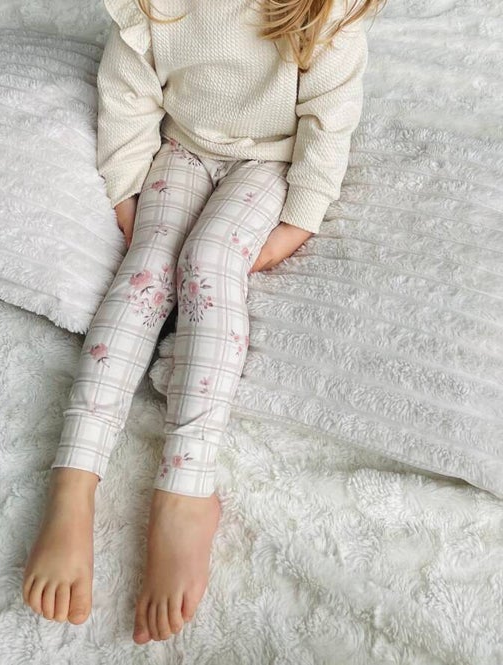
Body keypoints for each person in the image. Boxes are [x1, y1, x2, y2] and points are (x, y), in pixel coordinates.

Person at [22, 0, 382, 644]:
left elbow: (329, 120)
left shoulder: (326, 11)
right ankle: (74, 477)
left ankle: (185, 489)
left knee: (209, 263)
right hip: (182, 147)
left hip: (272, 161)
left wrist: (300, 217)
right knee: (146, 271)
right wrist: (127, 189)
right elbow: (127, 94)